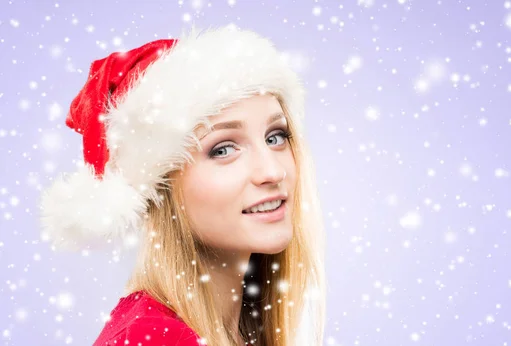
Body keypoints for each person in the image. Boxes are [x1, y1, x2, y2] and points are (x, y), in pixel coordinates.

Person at [39, 25, 326, 345]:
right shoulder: (152, 338)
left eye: (275, 137)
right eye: (223, 149)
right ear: (160, 188)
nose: (273, 171)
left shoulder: (231, 327)